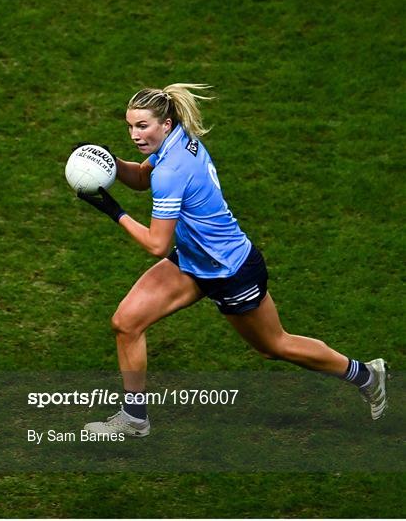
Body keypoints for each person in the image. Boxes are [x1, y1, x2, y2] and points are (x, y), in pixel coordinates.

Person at [77, 83, 388, 438]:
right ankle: (134, 418)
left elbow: (157, 245)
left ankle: (365, 374)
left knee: (274, 346)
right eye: (130, 126)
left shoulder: (172, 169)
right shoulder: (177, 142)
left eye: (142, 126)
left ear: (165, 123)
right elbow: (141, 177)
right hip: (195, 263)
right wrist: (106, 162)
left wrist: (112, 210)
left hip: (232, 271)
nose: (135, 134)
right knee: (126, 323)